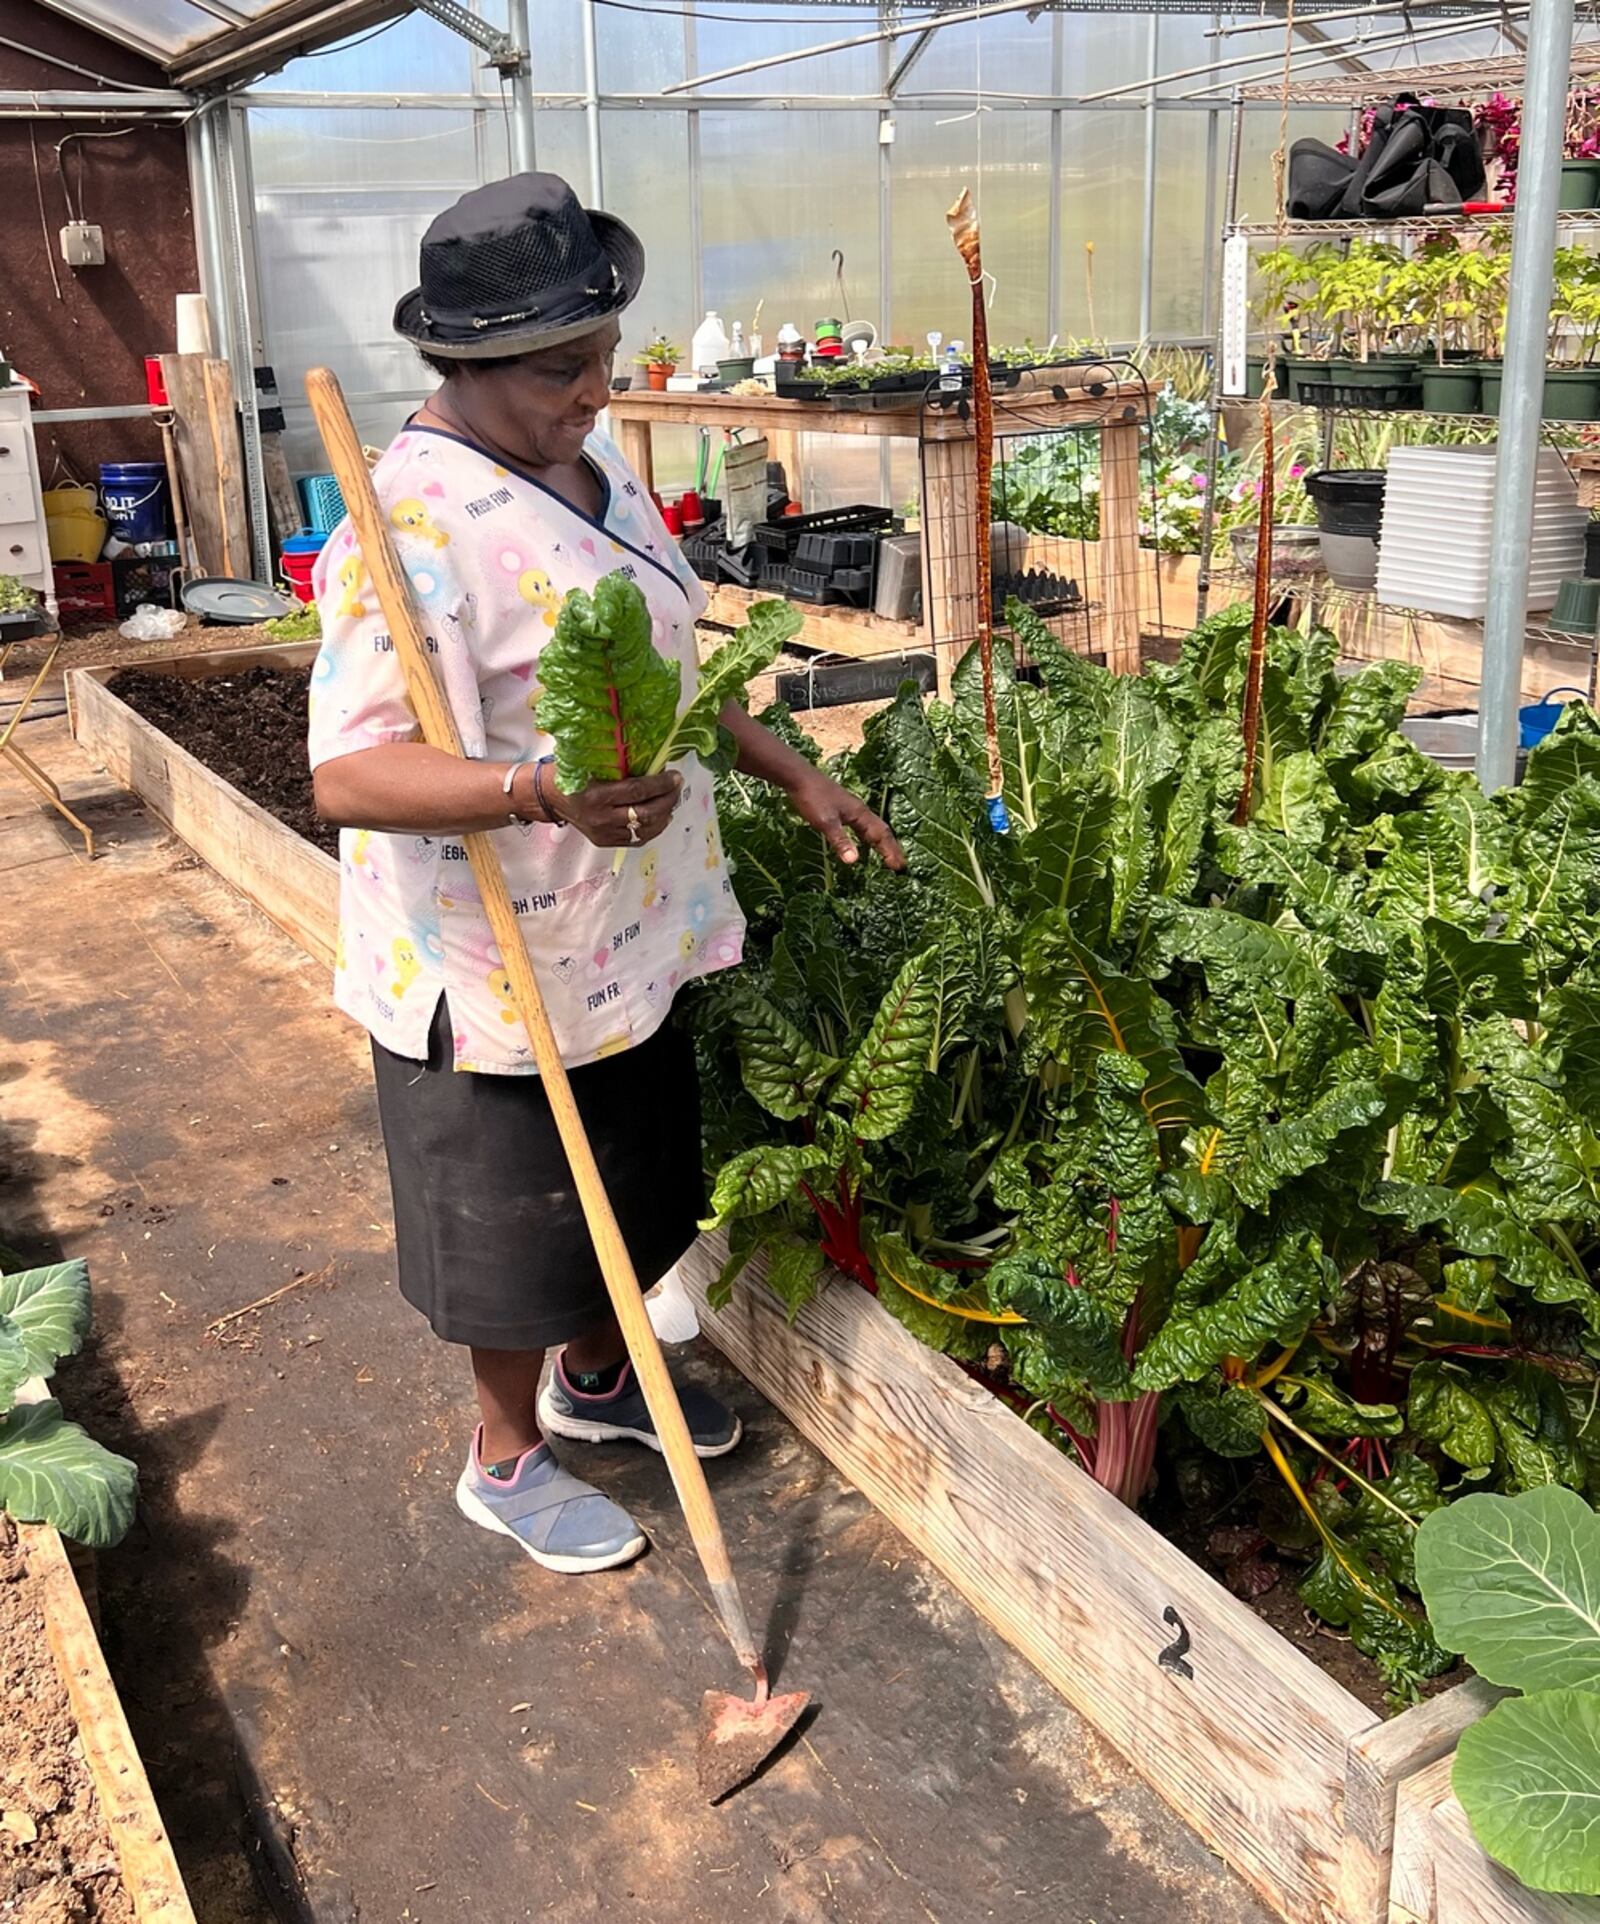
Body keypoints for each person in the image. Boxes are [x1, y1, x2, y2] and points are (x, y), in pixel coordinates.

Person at [308, 174, 902, 1575]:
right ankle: (504, 1455)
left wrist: (796, 769)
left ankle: (599, 1378)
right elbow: (344, 773)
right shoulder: (408, 531)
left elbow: (673, 659)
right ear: (466, 363)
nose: (599, 386)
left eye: (602, 351)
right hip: (494, 952)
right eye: (563, 367)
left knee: (634, 1181)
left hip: (626, 925)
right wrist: (537, 792)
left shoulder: (592, 458)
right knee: (519, 1224)